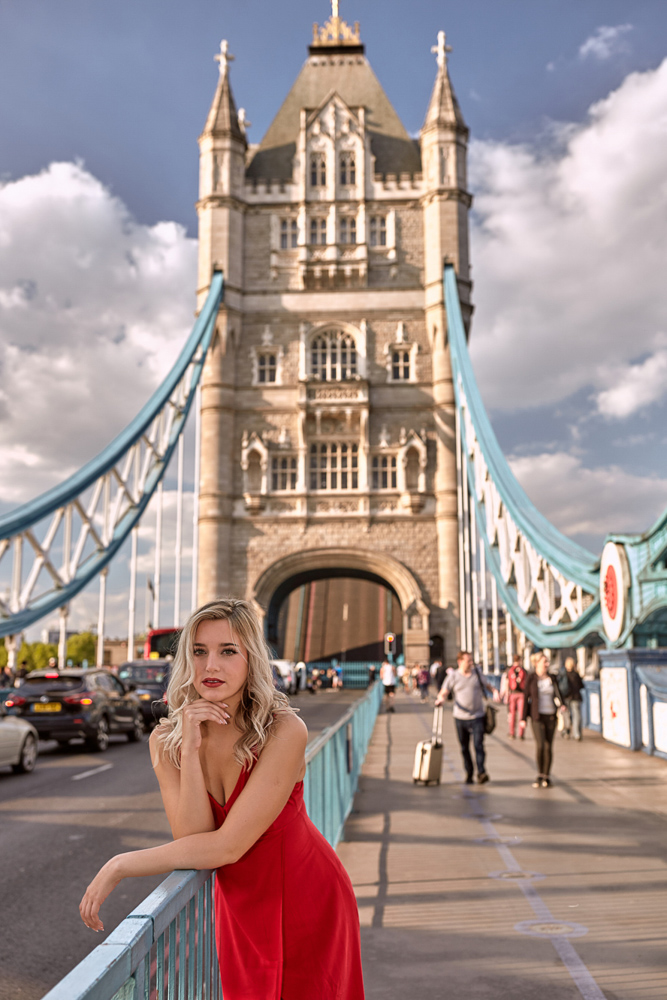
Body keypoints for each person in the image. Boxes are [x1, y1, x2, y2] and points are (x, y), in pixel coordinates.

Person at [79, 598, 365, 999]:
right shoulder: (166, 741)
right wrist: (191, 750)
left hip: (307, 901)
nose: (210, 666)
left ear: (251, 659)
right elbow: (193, 837)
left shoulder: (284, 730)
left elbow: (226, 847)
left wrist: (121, 864)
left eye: (227, 651)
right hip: (240, 909)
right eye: (199, 651)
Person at [435, 651, 499, 785]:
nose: (471, 663)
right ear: (460, 662)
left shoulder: (477, 673)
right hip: (460, 717)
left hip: (478, 715)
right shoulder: (453, 676)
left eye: (471, 660)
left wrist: (494, 691)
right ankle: (469, 772)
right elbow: (445, 690)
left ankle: (481, 772)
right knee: (464, 747)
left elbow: (487, 685)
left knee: (478, 745)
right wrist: (441, 699)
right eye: (468, 661)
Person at [523, 652, 564, 788]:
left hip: (551, 715)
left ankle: (546, 776)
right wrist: (522, 718)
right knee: (541, 745)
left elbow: (558, 693)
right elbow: (525, 698)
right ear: (537, 663)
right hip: (537, 716)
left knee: (548, 746)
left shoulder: (552, 677)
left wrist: (562, 704)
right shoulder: (531, 678)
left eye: (547, 662)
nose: (547, 664)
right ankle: (539, 774)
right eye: (544, 662)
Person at [558, 656, 584, 740]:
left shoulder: (563, 674)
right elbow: (581, 686)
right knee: (576, 715)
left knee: (566, 715)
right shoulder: (576, 674)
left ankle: (567, 731)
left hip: (566, 698)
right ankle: (577, 734)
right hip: (575, 697)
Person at [505, 655, 527, 740]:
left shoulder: (510, 670)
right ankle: (521, 733)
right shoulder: (523, 670)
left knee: (512, 714)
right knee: (522, 714)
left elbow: (507, 682)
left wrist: (507, 694)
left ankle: (512, 733)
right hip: (521, 694)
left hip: (513, 694)